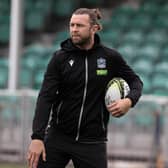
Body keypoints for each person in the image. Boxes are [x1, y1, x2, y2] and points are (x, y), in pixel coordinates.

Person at [27, 8, 143, 168]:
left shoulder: (110, 58)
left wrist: (129, 101)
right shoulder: (59, 58)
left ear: (94, 28)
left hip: (93, 142)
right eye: (71, 25)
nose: (74, 29)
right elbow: (46, 97)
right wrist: (37, 137)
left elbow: (136, 82)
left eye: (79, 26)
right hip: (58, 138)